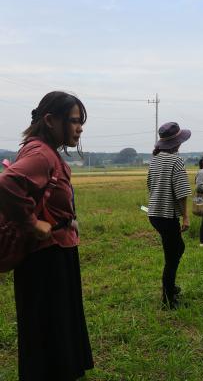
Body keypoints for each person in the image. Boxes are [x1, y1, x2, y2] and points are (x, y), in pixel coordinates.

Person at [0, 91, 94, 380]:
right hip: (46, 260)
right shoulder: (41, 153)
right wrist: (31, 222)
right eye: (75, 121)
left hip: (53, 256)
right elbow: (6, 183)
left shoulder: (42, 150)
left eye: (81, 122)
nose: (80, 128)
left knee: (52, 330)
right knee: (50, 331)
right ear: (51, 120)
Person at [147, 122, 192, 309]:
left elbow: (149, 185)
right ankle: (168, 298)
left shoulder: (154, 159)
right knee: (173, 255)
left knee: (176, 248)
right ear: (177, 143)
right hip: (167, 215)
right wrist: (186, 216)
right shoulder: (176, 160)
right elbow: (181, 192)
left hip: (155, 214)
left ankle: (170, 287)